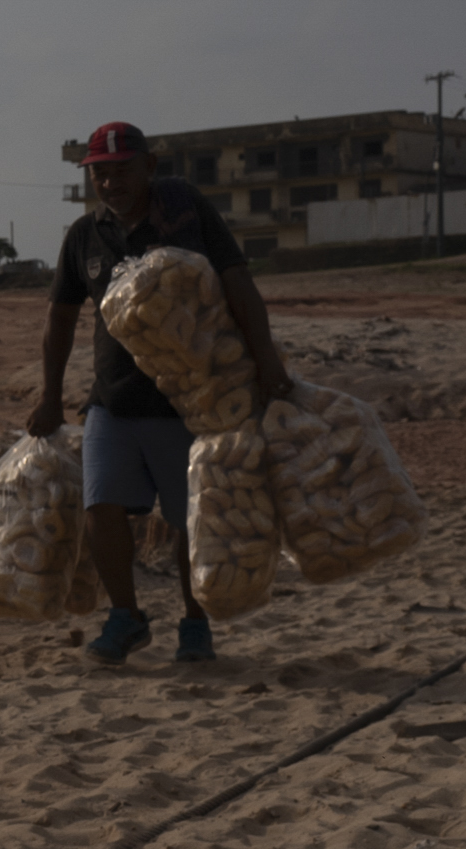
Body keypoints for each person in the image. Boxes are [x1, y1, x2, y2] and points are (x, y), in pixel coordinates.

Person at [25, 125, 292, 665]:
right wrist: (50, 394)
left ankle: (195, 623)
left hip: (189, 401)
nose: (110, 181)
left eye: (122, 169)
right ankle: (125, 616)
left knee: (188, 516)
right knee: (100, 509)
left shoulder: (186, 213)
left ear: (150, 167)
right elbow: (59, 319)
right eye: (99, 171)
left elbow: (238, 282)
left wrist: (267, 362)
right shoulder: (84, 236)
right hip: (112, 401)